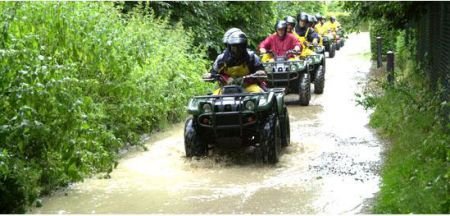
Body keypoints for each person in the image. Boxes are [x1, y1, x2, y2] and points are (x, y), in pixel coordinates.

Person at [205, 30, 267, 95]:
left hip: (248, 86)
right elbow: (213, 72)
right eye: (234, 47)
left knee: (259, 94)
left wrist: (260, 73)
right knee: (213, 98)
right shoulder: (221, 59)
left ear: (244, 46)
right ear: (229, 46)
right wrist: (209, 75)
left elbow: (262, 72)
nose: (236, 50)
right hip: (225, 88)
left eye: (239, 46)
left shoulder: (252, 57)